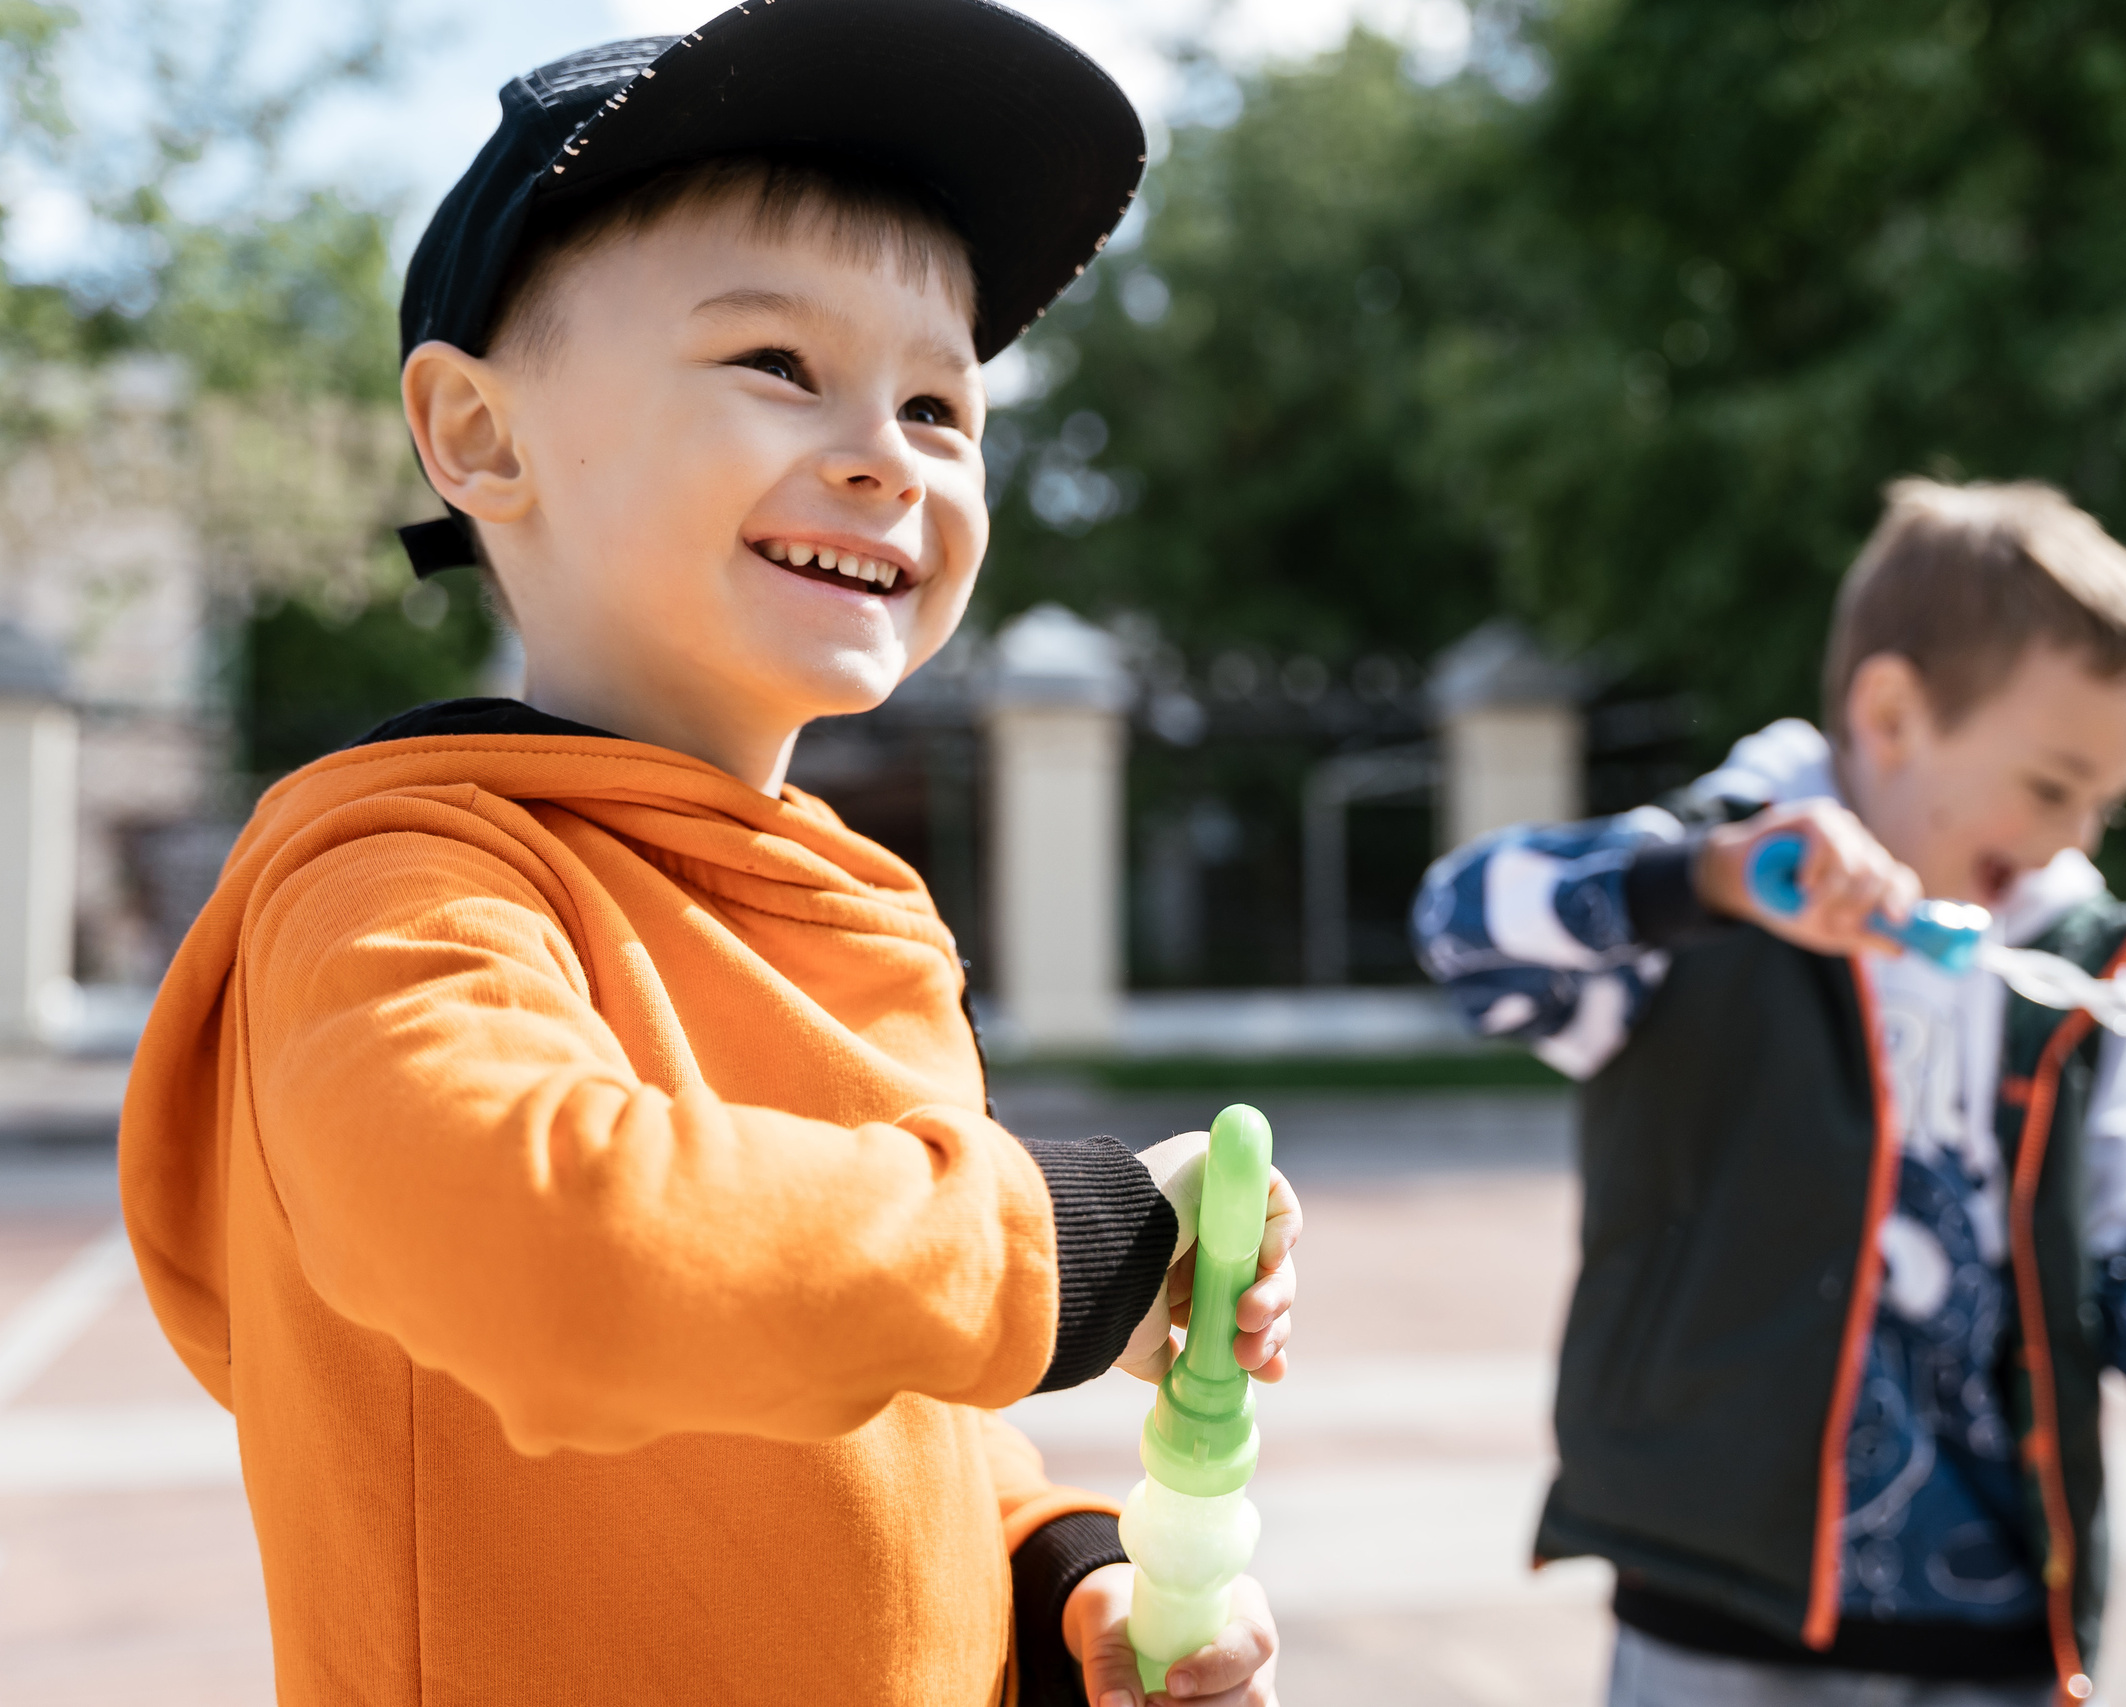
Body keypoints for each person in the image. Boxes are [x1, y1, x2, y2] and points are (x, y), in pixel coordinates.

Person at [117, 8, 1296, 1704]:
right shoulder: (405, 889)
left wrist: (1060, 1569)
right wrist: (1053, 1243)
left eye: (940, 405)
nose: (887, 451)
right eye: (776, 364)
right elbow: (564, 1255)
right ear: (481, 438)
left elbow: (863, 1385)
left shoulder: (830, 898)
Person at [1410, 479, 2126, 1706]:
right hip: (1718, 1612)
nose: (2075, 833)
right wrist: (1708, 880)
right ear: (1892, 714)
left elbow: (2124, 1256)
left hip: (1995, 1629)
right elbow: (1461, 932)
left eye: (2101, 801)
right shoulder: (1708, 899)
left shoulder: (2077, 971)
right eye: (2050, 784)